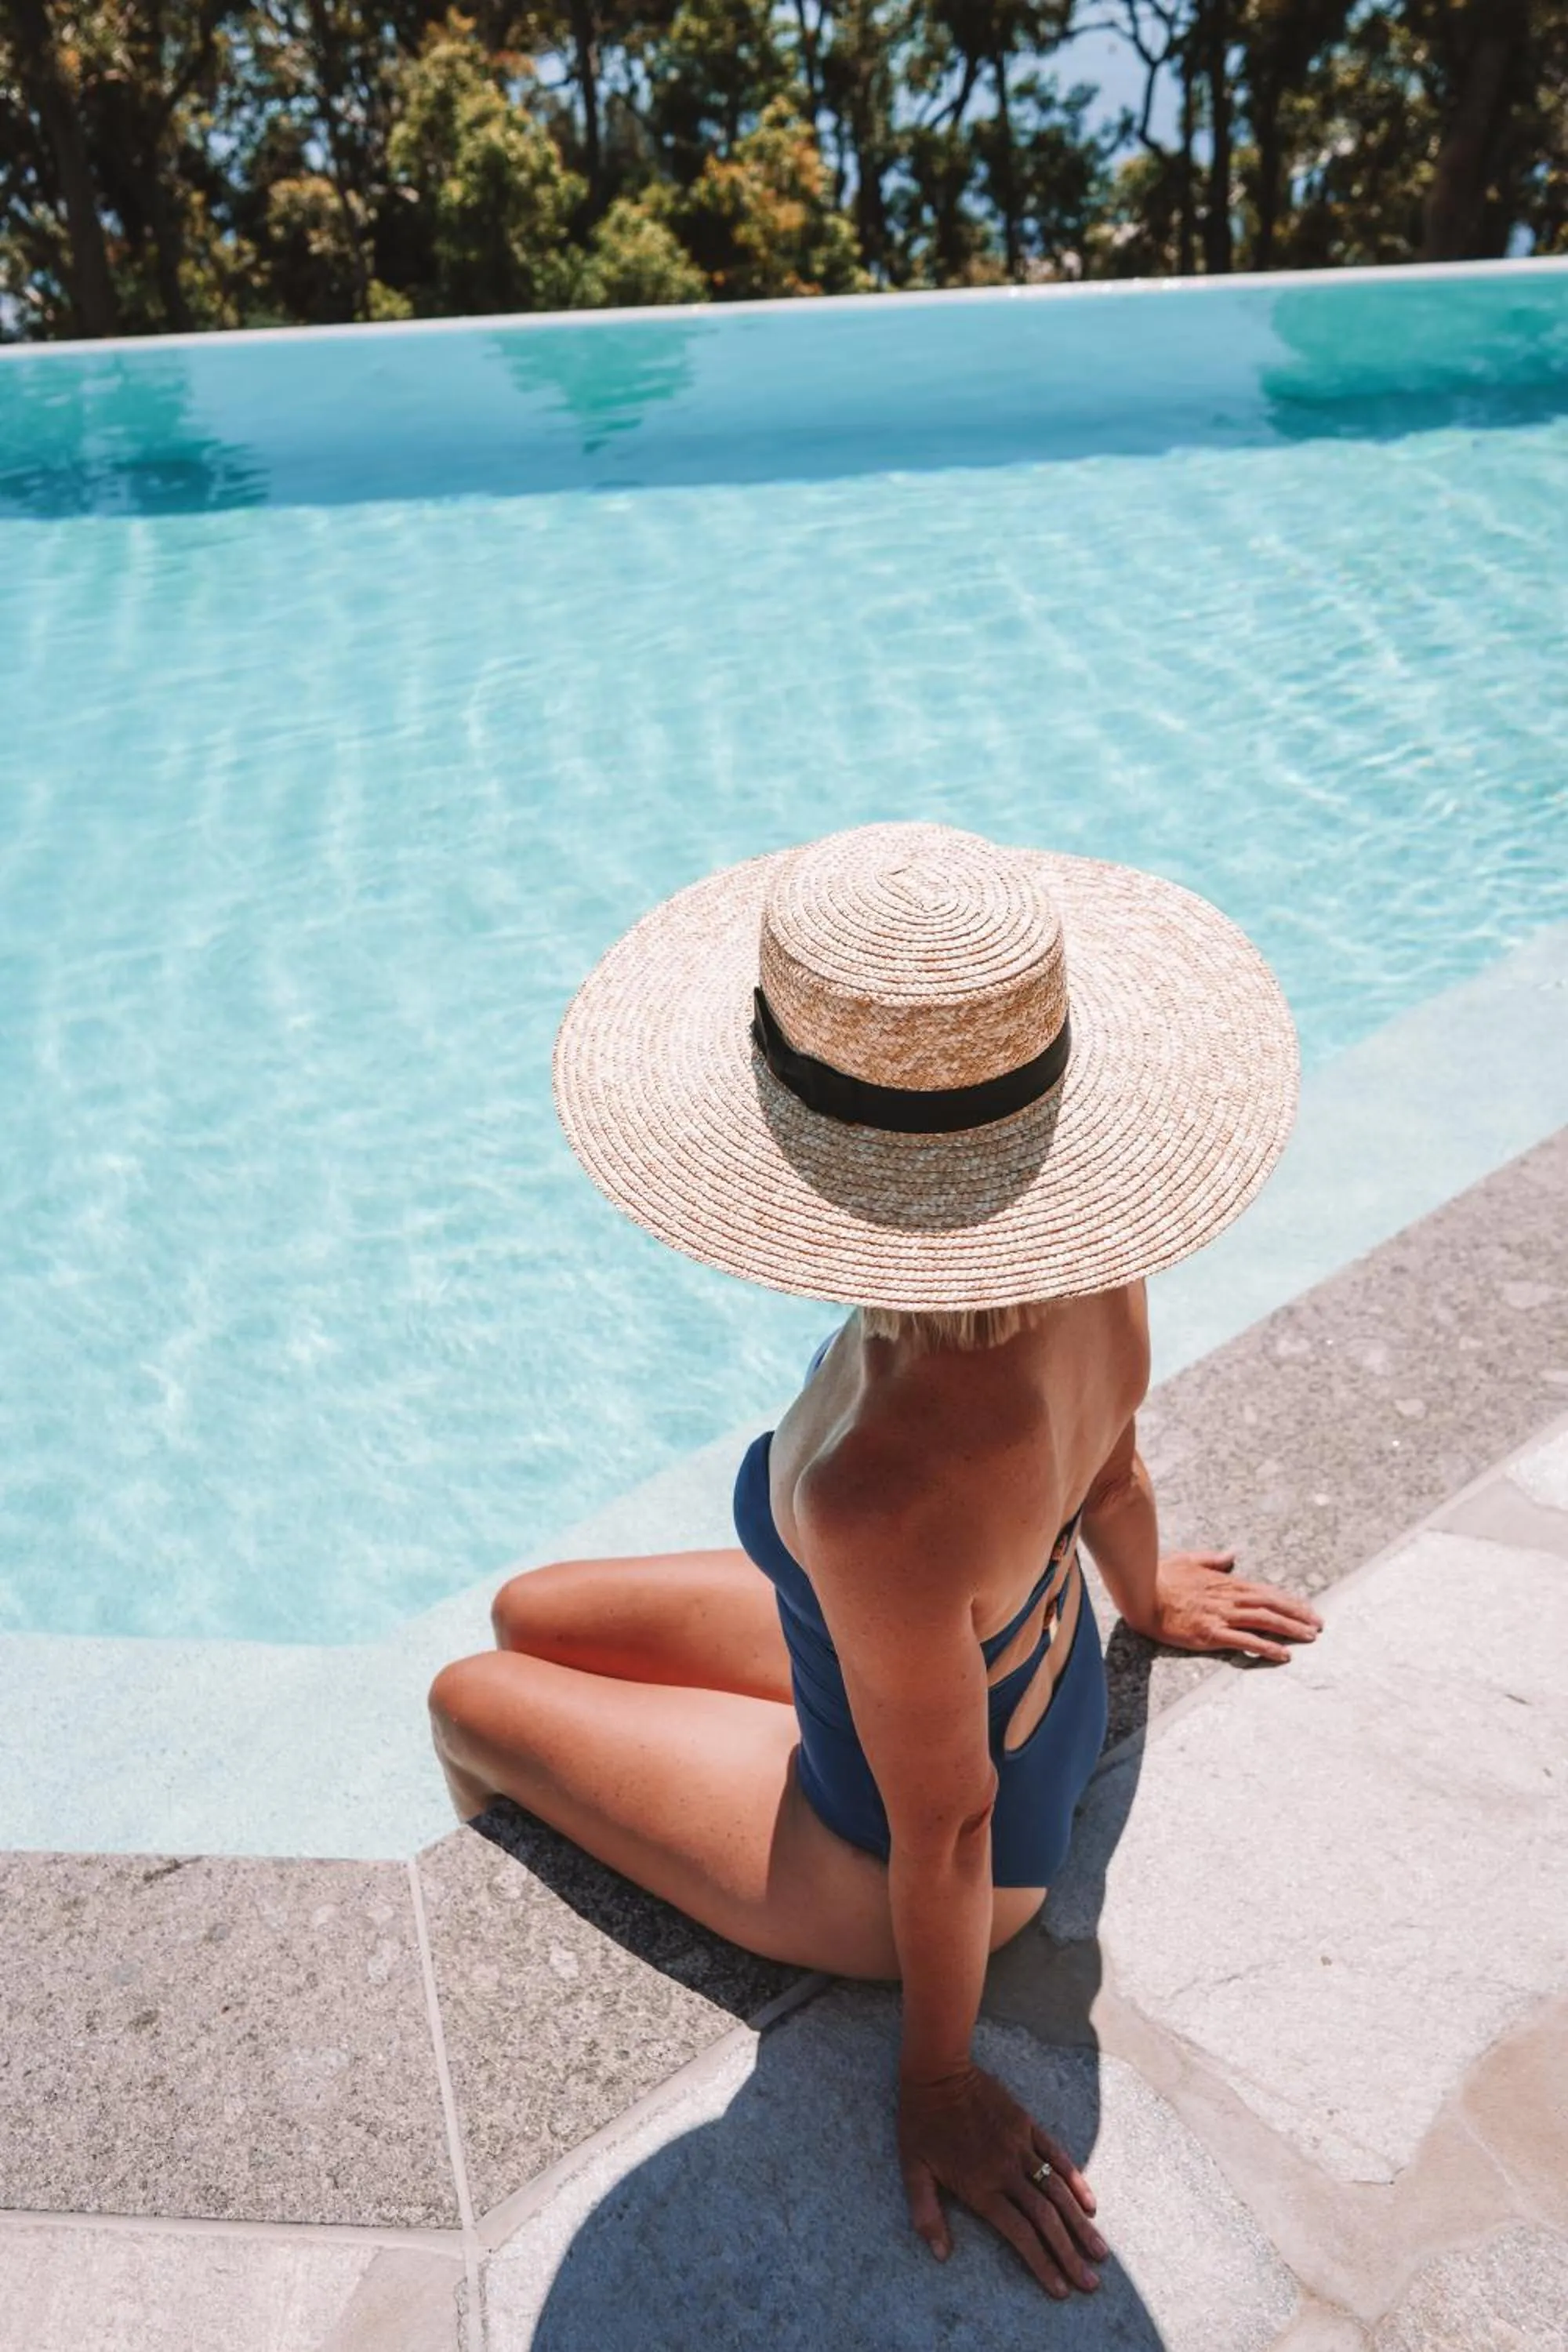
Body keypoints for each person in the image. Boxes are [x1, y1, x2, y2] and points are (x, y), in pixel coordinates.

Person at [429, 821, 1322, 2300]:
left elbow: (950, 1832)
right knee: (532, 1612)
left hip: (925, 1848)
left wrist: (935, 2083)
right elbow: (1112, 1465)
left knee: (472, 1695)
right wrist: (1148, 1607)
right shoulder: (1088, 1254)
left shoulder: (880, 1490)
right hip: (1027, 1671)